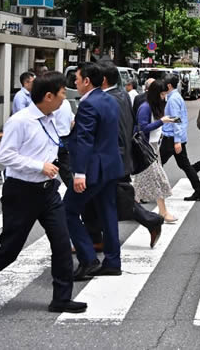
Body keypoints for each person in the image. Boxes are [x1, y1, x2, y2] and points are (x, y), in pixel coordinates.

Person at [0, 71, 87, 316]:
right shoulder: (20, 121)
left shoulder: (51, 117)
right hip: (21, 192)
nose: (65, 98)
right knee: (8, 251)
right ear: (49, 95)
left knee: (62, 243)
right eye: (63, 93)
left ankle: (61, 298)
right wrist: (38, 166)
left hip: (48, 191)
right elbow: (6, 156)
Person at [82, 62, 162, 249]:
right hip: (121, 155)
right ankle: (96, 238)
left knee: (114, 198)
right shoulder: (122, 95)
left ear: (102, 79)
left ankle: (151, 221)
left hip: (112, 158)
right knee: (104, 199)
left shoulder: (108, 99)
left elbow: (113, 131)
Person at [64, 63, 123, 281]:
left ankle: (88, 258)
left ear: (87, 81)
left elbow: (85, 140)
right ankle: (113, 261)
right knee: (108, 213)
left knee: (67, 210)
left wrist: (80, 173)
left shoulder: (88, 104)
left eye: (77, 79)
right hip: (110, 165)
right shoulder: (109, 99)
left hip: (93, 168)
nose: (75, 83)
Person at [134, 80, 178, 222]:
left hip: (153, 148)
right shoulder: (145, 108)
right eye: (163, 94)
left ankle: (129, 210)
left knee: (140, 184)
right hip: (146, 149)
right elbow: (143, 128)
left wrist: (167, 121)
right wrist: (162, 121)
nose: (164, 96)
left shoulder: (154, 107)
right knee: (158, 180)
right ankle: (163, 212)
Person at [161, 73, 200, 201]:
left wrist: (177, 141)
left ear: (169, 85)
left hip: (171, 138)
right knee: (185, 165)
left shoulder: (173, 99)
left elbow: (176, 120)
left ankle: (153, 192)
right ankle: (199, 191)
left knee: (157, 164)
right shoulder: (175, 96)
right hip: (176, 138)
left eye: (164, 82)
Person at [54, 98, 74, 188]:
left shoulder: (54, 104)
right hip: (66, 138)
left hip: (55, 139)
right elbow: (73, 121)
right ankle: (73, 191)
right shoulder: (66, 102)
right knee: (66, 169)